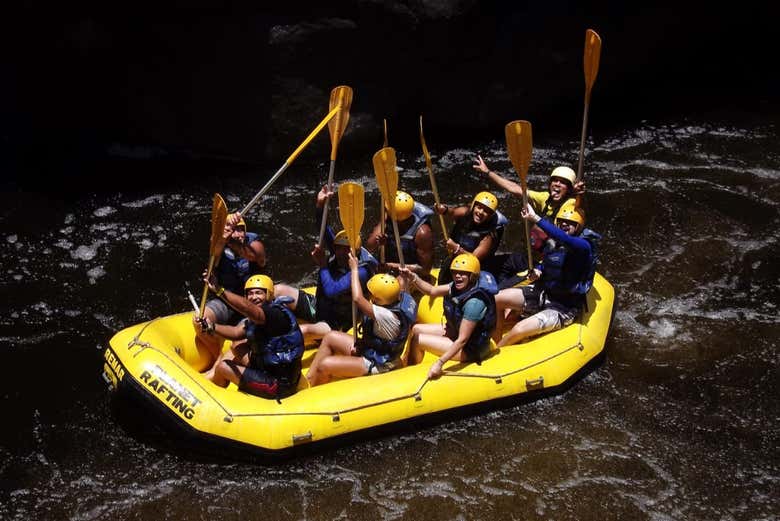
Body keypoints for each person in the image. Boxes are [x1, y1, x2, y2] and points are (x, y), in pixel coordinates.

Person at [275, 185, 378, 339]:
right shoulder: (339, 250)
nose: (341, 253)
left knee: (305, 330)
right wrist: (320, 205)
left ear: (355, 250)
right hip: (320, 307)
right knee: (278, 290)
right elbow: (323, 229)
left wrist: (323, 265)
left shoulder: (362, 270)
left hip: (338, 323)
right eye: (338, 248)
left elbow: (331, 291)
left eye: (346, 250)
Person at [494, 199, 600, 347]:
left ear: (579, 226)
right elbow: (551, 262)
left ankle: (496, 354)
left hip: (563, 307)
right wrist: (539, 269)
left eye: (569, 223)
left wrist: (535, 217)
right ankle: (497, 339)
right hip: (544, 293)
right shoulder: (553, 244)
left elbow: (565, 239)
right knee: (497, 298)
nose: (564, 224)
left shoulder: (583, 247)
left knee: (518, 329)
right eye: (561, 221)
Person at [306, 252, 417, 386]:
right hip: (373, 350)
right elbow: (402, 282)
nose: (370, 295)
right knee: (330, 337)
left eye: (372, 294)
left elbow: (358, 298)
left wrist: (354, 269)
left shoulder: (386, 315)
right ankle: (310, 380)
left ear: (379, 299)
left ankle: (315, 394)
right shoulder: (400, 297)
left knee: (325, 364)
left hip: (379, 364)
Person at [473, 156, 584, 288]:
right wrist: (487, 172)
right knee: (489, 265)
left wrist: (579, 194)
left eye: (563, 182)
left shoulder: (570, 205)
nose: (557, 184)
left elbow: (580, 206)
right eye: (555, 180)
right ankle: (500, 288)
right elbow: (515, 188)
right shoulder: (544, 198)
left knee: (501, 290)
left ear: (570, 189)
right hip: (527, 257)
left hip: (543, 266)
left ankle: (503, 294)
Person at [197, 274, 304, 399]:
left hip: (278, 385)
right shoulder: (257, 317)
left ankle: (209, 398)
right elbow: (237, 332)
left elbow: (249, 309)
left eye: (259, 293)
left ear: (269, 294)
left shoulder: (275, 314)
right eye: (250, 294)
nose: (254, 297)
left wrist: (219, 291)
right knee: (237, 347)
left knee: (223, 367)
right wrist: (212, 326)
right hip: (270, 370)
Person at [402, 253, 498, 380]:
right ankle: (409, 364)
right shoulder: (458, 286)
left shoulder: (474, 303)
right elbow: (432, 291)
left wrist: (439, 363)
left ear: (472, 276)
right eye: (455, 272)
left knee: (418, 339)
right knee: (416, 329)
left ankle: (411, 374)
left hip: (469, 349)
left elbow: (462, 340)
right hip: (456, 332)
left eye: (463, 273)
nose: (457, 276)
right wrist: (412, 277)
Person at [195, 212, 267, 361]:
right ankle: (218, 358)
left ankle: (222, 366)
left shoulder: (254, 244)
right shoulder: (220, 245)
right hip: (225, 301)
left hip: (250, 304)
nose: (238, 234)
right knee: (199, 321)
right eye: (234, 230)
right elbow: (213, 259)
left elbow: (254, 255)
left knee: (239, 345)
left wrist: (229, 241)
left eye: (241, 229)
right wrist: (220, 240)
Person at [433, 191, 508, 284]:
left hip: (472, 268)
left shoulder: (489, 236)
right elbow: (452, 212)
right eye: (479, 207)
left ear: (490, 216)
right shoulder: (465, 212)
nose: (480, 212)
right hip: (455, 256)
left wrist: (456, 248)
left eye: (486, 211)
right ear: (473, 206)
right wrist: (444, 210)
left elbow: (473, 259)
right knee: (444, 275)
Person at [365, 190, 435, 282]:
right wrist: (379, 242)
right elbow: (369, 246)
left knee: (401, 282)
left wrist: (391, 266)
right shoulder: (388, 220)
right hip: (387, 269)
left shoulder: (422, 233)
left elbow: (425, 270)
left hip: (412, 274)